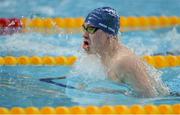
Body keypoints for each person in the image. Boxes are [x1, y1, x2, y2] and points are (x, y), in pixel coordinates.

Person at [82, 7, 170, 97]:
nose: (84, 35)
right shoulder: (102, 55)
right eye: (84, 28)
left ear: (109, 33)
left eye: (90, 29)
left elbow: (149, 97)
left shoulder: (124, 62)